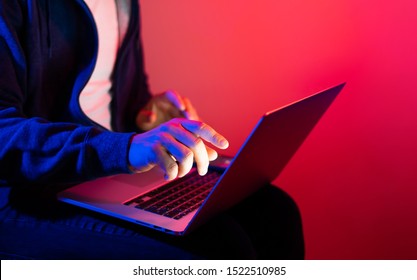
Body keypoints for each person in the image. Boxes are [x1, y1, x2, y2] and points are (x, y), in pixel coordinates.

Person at [0, 0, 304, 259]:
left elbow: (115, 98)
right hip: (24, 191)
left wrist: (146, 116)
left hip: (105, 174)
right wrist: (127, 149)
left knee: (275, 211)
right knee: (218, 246)